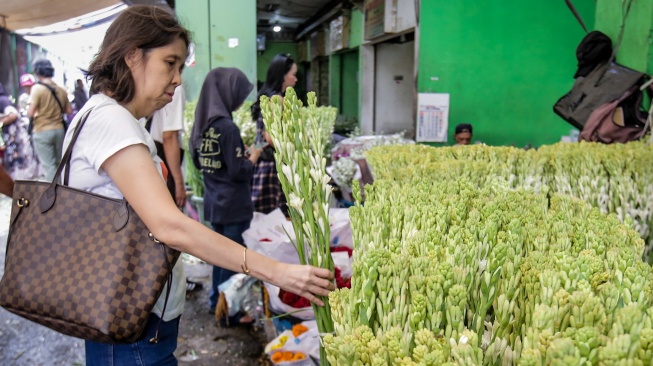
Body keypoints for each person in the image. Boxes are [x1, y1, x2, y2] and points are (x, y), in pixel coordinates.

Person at [68, 6, 333, 365]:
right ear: (132, 56)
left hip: (127, 313)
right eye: (170, 63)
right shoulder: (111, 121)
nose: (178, 79)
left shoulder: (103, 115)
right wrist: (277, 271)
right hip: (129, 323)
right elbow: (168, 226)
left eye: (180, 67)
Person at [190, 67, 263, 322]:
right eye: (239, 94)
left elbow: (202, 164)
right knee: (233, 260)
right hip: (233, 204)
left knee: (220, 258)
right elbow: (238, 172)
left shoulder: (203, 125)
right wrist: (252, 158)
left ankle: (216, 304)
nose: (241, 101)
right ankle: (230, 313)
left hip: (214, 203)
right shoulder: (227, 128)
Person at [250, 53, 298, 216]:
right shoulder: (277, 99)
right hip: (273, 165)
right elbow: (270, 137)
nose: (295, 79)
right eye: (293, 74)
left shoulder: (267, 97)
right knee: (274, 218)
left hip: (263, 162)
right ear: (283, 76)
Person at [27, 58, 72, 181]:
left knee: (49, 166)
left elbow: (30, 112)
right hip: (59, 130)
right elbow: (69, 111)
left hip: (42, 131)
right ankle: (65, 189)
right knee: (60, 163)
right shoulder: (61, 89)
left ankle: (54, 195)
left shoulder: (37, 89)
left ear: (37, 72)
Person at [0, 82, 41, 180]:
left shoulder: (2, 100)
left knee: (19, 163)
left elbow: (13, 115)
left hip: (14, 137)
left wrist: (1, 122)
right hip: (10, 137)